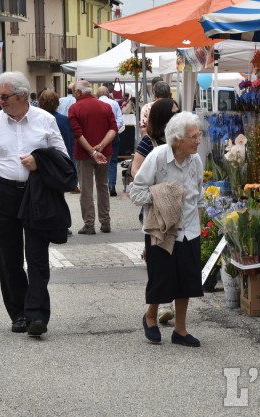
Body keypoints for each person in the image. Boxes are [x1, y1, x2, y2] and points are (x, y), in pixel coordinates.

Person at [0, 71, 70, 337]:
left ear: (22, 95)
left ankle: (37, 315)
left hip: (36, 194)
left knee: (36, 256)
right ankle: (19, 313)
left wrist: (40, 162)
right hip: (3, 193)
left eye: (4, 96)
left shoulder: (45, 120)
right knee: (9, 256)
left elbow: (62, 157)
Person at [129, 111, 204, 347]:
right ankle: (150, 316)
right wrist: (162, 197)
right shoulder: (158, 157)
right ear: (176, 139)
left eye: (198, 135)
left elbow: (199, 196)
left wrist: (199, 227)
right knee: (162, 278)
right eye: (193, 136)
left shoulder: (196, 161)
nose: (198, 140)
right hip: (161, 229)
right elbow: (136, 191)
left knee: (187, 281)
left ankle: (180, 331)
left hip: (189, 229)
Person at [130, 98, 180, 325]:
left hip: (178, 206)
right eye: (173, 113)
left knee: (174, 255)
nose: (177, 117)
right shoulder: (148, 142)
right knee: (158, 255)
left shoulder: (180, 141)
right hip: (155, 206)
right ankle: (159, 306)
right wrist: (158, 189)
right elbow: (135, 171)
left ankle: (166, 303)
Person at [68, 80, 117, 235]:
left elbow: (78, 133)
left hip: (84, 154)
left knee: (87, 189)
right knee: (103, 185)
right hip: (105, 152)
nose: (73, 94)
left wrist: (92, 151)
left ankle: (89, 224)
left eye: (74, 91)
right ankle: (105, 221)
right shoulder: (106, 106)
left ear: (79, 93)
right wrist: (101, 147)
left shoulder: (75, 108)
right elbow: (113, 129)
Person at [39, 89, 76, 238]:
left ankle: (44, 223)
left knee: (41, 195)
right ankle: (62, 226)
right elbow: (68, 143)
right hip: (59, 162)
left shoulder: (38, 119)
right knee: (59, 197)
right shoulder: (64, 120)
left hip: (41, 163)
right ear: (57, 103)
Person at [96, 86, 124, 197]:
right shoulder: (114, 103)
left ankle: (101, 185)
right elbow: (120, 121)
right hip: (113, 135)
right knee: (113, 160)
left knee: (98, 160)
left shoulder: (95, 104)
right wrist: (112, 130)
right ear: (108, 94)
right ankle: (111, 185)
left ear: (98, 95)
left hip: (98, 136)